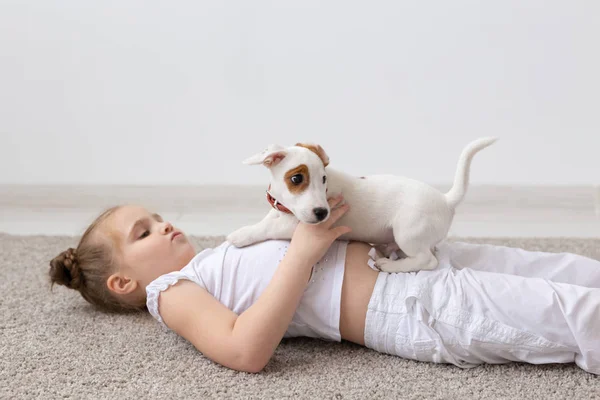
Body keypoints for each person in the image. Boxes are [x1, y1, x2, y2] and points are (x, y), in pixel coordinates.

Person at [49, 195, 600, 374]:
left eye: (158, 216)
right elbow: (244, 349)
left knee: (549, 268)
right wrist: (303, 255)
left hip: (412, 260)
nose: (165, 225)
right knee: (557, 309)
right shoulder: (170, 295)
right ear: (124, 282)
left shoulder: (217, 256)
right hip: (409, 305)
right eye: (144, 232)